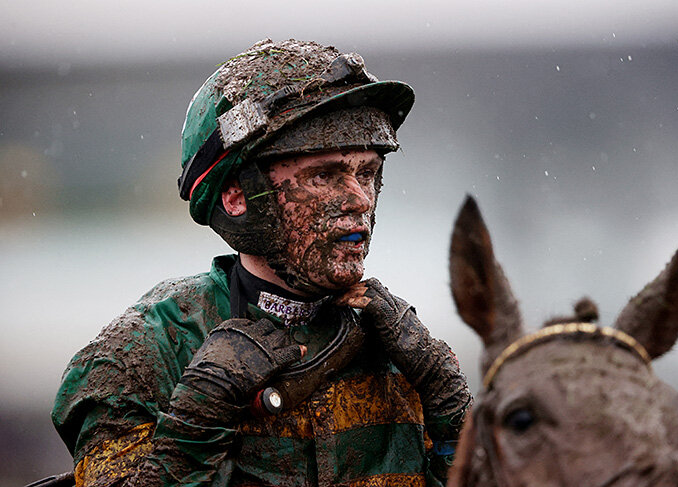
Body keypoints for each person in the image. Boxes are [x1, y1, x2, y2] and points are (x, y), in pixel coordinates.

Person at [51, 39, 472, 487]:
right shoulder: (143, 352)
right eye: (324, 176)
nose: (359, 198)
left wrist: (451, 406)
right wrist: (198, 417)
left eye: (367, 172)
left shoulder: (405, 353)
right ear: (236, 196)